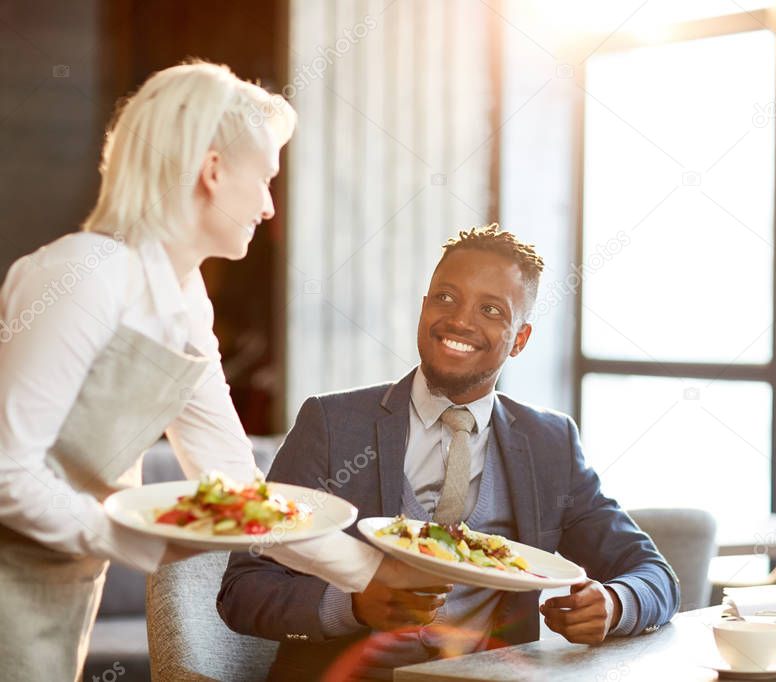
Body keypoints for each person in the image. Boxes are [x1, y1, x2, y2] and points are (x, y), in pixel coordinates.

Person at [0, 60, 432, 681]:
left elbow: (238, 491)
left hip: (63, 580)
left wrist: (372, 572)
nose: (267, 206)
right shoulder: (82, 275)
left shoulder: (184, 300)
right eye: (264, 181)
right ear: (212, 170)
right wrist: (142, 540)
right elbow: (10, 471)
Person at [218, 225, 681, 680]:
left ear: (520, 339)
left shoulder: (549, 444)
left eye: (491, 310)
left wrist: (615, 604)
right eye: (445, 297)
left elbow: (653, 575)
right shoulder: (333, 424)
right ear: (423, 308)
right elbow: (243, 590)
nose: (460, 320)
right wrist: (353, 605)